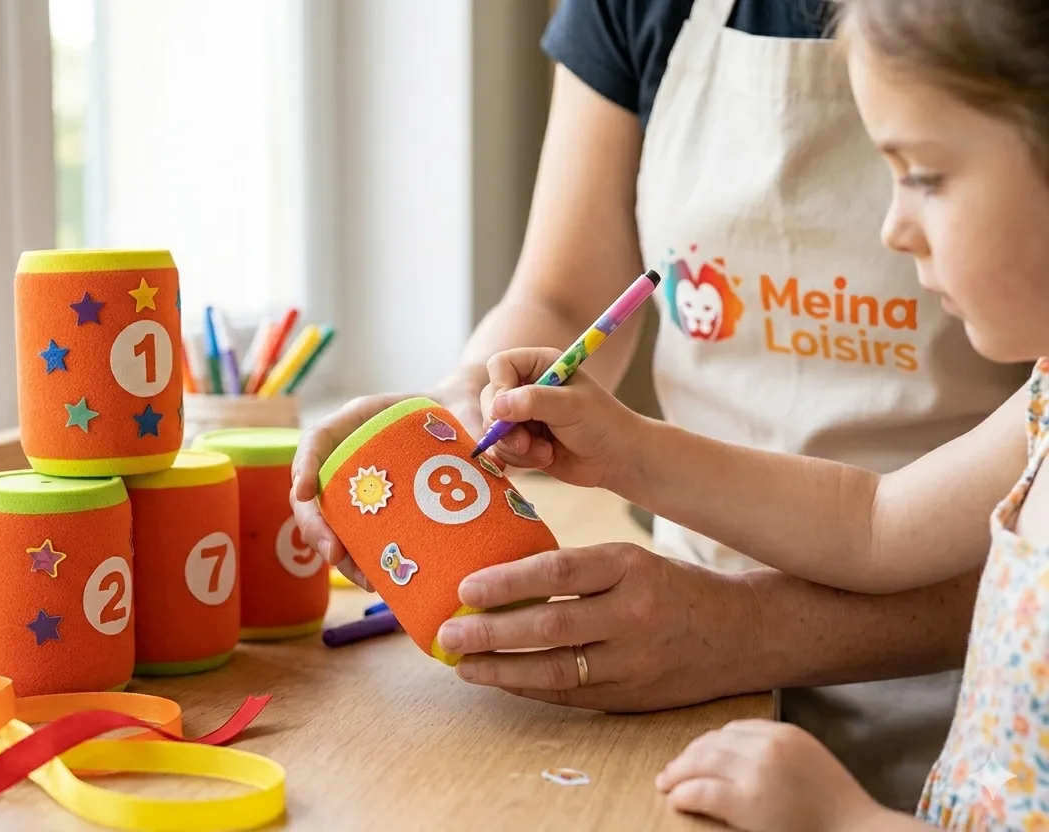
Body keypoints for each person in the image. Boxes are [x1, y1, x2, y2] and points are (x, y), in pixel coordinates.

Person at [290, 0, 1032, 813]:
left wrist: (839, 818)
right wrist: (570, 434)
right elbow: (873, 520)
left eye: (922, 175)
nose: (894, 226)